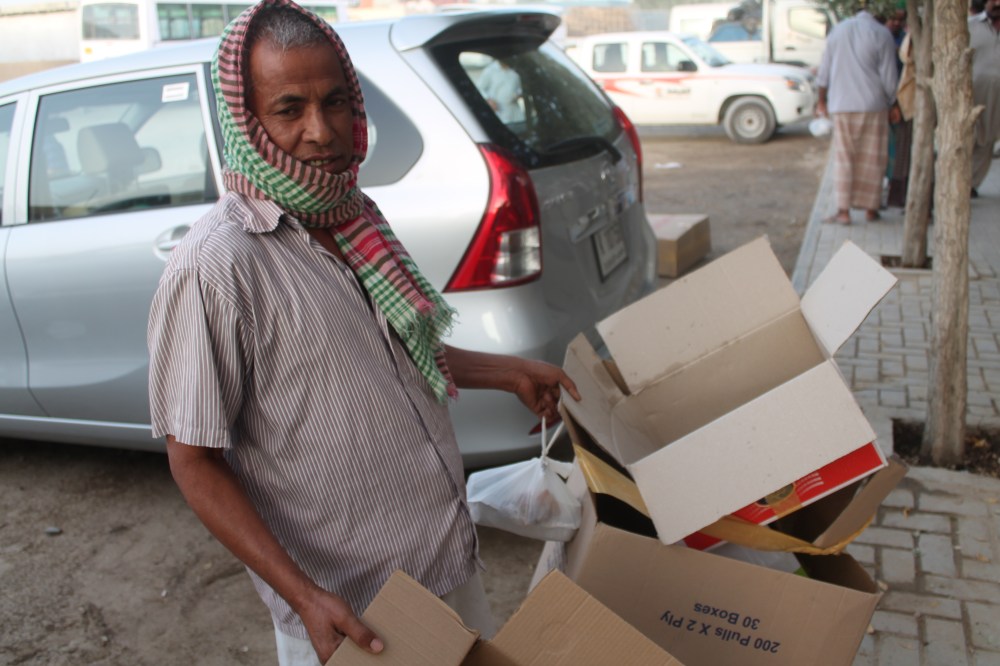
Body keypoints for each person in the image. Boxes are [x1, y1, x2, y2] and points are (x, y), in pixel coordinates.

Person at [145, 2, 580, 665]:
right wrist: (303, 596)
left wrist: (506, 371)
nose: (322, 131)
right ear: (246, 119)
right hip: (349, 611)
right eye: (289, 109)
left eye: (336, 102)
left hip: (443, 557)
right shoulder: (216, 264)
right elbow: (193, 461)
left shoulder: (352, 215)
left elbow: (391, 353)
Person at [816, 1, 899, 224]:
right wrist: (893, 103)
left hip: (842, 104)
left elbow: (824, 71)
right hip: (873, 105)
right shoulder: (882, 34)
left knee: (844, 158)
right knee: (873, 158)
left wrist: (821, 100)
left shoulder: (837, 31)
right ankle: (870, 209)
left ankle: (843, 211)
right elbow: (889, 77)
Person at [969, 0, 1000, 197]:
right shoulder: (971, 26)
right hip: (973, 93)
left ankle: (971, 183)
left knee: (988, 139)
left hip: (997, 97)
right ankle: (959, 179)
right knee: (969, 136)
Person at [476, 58, 524, 124]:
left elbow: (521, 88)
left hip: (514, 111)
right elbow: (479, 88)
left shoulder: (515, 71)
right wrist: (488, 100)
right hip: (498, 110)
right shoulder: (490, 70)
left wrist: (518, 94)